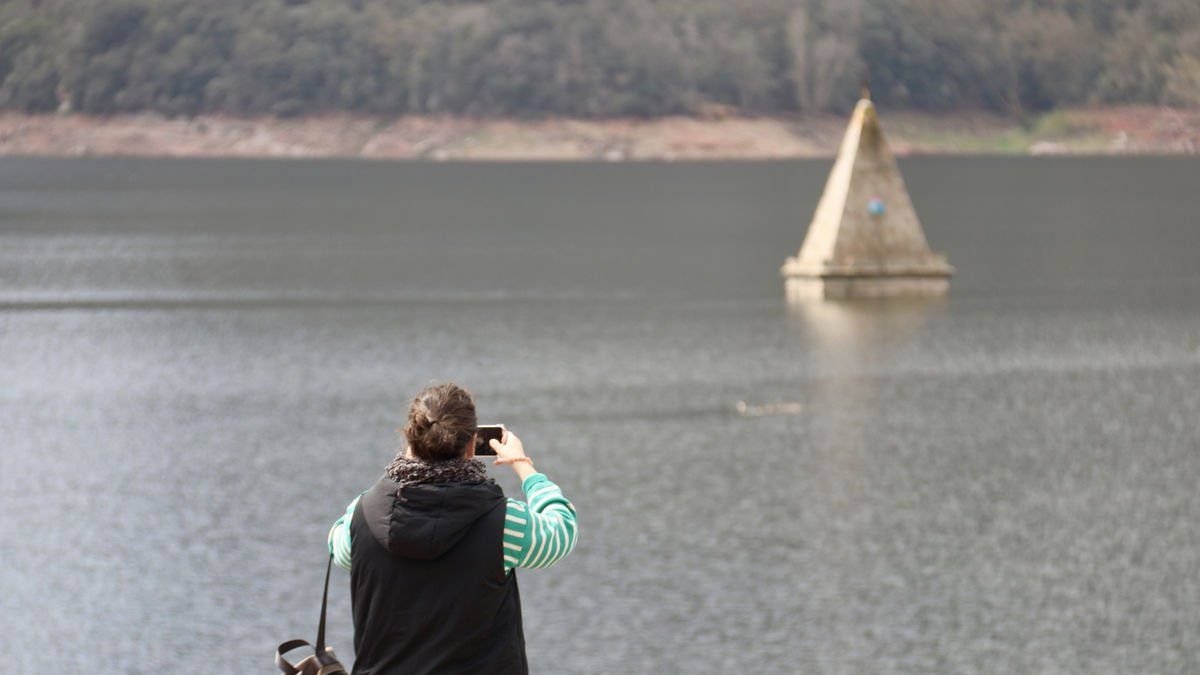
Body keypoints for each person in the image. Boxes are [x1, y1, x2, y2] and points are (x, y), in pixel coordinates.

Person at [327, 382, 578, 675]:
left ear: (410, 440)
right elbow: (562, 531)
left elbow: (339, 549)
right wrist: (523, 466)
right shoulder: (503, 522)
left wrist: (392, 480)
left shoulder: (363, 515)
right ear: (472, 444)